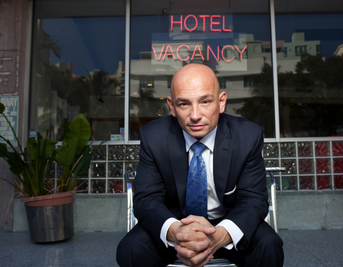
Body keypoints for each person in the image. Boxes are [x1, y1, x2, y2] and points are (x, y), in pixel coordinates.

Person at [116, 63, 284, 267]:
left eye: (205, 101)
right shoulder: (154, 137)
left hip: (226, 225)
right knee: (131, 248)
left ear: (221, 102)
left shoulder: (247, 136)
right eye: (184, 104)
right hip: (175, 225)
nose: (195, 115)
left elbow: (254, 201)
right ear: (172, 107)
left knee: (269, 244)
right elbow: (146, 200)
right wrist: (176, 231)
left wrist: (218, 236)